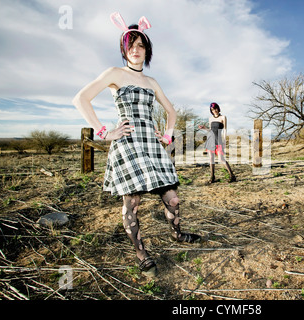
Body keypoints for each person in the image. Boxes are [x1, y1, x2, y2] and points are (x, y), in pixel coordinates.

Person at [72, 12, 201, 277]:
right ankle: (141, 253)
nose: (136, 50)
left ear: (147, 50)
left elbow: (172, 111)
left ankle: (177, 234)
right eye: (130, 45)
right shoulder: (114, 74)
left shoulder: (151, 82)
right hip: (128, 144)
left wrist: (166, 135)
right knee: (132, 203)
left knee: (173, 198)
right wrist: (105, 132)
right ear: (124, 49)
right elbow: (81, 99)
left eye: (141, 45)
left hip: (152, 147)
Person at [199, 102, 236, 184]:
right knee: (211, 159)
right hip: (210, 140)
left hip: (219, 140)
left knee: (221, 159)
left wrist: (224, 140)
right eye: (212, 109)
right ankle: (212, 177)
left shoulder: (223, 117)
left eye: (215, 108)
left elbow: (225, 129)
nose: (214, 111)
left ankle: (232, 176)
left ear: (218, 108)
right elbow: (210, 130)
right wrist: (204, 128)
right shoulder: (210, 119)